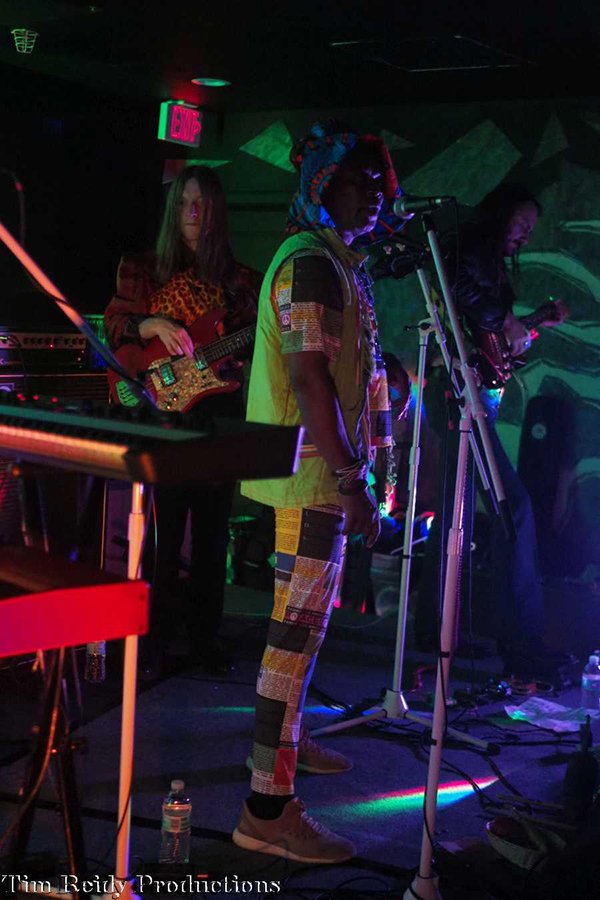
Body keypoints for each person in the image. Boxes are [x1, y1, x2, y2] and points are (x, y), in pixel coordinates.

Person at [231, 121, 399, 864]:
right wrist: (354, 479)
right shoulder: (311, 264)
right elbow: (308, 379)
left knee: (300, 636)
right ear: (323, 185)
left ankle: (285, 750)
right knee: (292, 641)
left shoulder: (333, 260)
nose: (376, 195)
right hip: (312, 481)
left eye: (380, 182)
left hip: (316, 478)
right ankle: (267, 810)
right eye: (358, 182)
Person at [104, 165, 260, 677]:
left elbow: (256, 344)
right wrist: (150, 322)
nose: (194, 212)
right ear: (174, 209)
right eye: (186, 202)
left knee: (213, 532)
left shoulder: (241, 281)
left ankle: (203, 638)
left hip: (216, 412)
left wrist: (238, 358)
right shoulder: (143, 269)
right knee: (163, 532)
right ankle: (153, 639)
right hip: (162, 411)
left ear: (216, 211)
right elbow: (114, 324)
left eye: (203, 203)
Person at [414, 183, 568, 672]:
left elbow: (486, 332)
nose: (524, 235)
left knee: (455, 515)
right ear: (501, 214)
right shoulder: (472, 249)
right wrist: (505, 319)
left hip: (469, 393)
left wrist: (525, 325)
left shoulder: (486, 260)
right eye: (521, 224)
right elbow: (458, 286)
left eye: (530, 229)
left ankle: (437, 631)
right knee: (512, 509)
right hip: (460, 394)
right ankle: (519, 637)